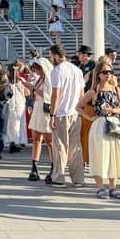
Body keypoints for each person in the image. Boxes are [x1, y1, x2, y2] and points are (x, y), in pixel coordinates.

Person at [78, 63, 120, 199]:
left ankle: (113, 188)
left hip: (115, 123)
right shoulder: (94, 91)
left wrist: (113, 110)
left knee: (115, 155)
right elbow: (79, 107)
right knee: (99, 155)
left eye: (110, 71)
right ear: (98, 74)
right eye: (105, 72)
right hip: (100, 123)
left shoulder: (117, 89)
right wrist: (90, 117)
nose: (108, 74)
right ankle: (100, 187)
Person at [47, 44, 84, 187]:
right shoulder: (77, 70)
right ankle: (78, 178)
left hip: (61, 113)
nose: (51, 59)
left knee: (60, 146)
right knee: (75, 147)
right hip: (75, 112)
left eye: (51, 56)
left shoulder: (57, 71)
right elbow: (81, 94)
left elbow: (55, 95)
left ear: (56, 55)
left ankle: (59, 177)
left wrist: (52, 115)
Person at [23, 57, 53, 181]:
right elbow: (35, 90)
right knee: (36, 140)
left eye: (37, 68)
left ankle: (53, 167)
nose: (35, 70)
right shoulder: (40, 78)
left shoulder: (49, 78)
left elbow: (49, 95)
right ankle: (34, 166)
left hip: (45, 110)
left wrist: (34, 89)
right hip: (38, 108)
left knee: (49, 142)